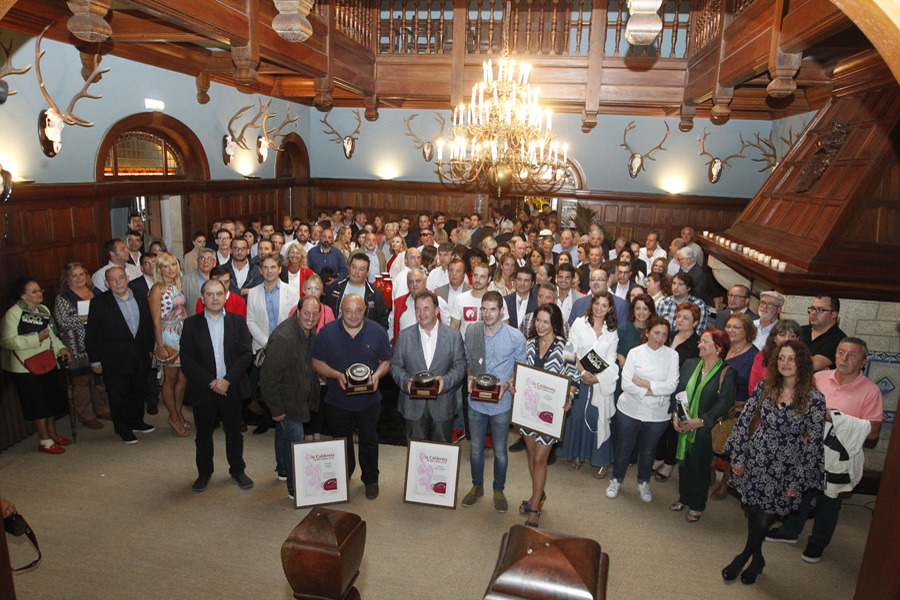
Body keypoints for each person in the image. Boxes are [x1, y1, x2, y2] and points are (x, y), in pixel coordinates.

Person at [766, 337, 883, 563]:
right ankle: (790, 531)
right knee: (799, 493)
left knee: (828, 502)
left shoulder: (870, 391)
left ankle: (817, 542)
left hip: (837, 456)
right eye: (840, 352)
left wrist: (835, 417)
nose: (844, 358)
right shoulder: (818, 378)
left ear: (863, 362)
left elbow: (874, 431)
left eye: (852, 355)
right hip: (808, 449)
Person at [722, 340, 826, 585]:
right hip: (757, 456)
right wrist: (738, 456)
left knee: (762, 520)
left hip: (787, 466)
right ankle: (757, 560)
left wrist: (799, 481)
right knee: (755, 512)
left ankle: (744, 556)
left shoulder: (815, 399)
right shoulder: (766, 385)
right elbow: (745, 419)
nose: (785, 363)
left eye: (791, 358)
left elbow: (815, 444)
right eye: (781, 358)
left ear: (801, 363)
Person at [312, 294, 392, 500]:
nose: (353, 315)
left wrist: (377, 375)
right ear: (341, 310)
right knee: (341, 442)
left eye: (358, 310)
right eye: (348, 310)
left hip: (369, 400)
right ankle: (343, 476)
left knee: (369, 440)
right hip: (338, 400)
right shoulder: (327, 332)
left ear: (365, 309)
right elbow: (316, 362)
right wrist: (336, 375)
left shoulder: (378, 331)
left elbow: (386, 361)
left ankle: (371, 479)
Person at [181, 279, 254, 493]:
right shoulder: (191, 324)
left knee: (234, 433)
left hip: (231, 387)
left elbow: (245, 354)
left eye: (218, 294)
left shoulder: (237, 321)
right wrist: (211, 382)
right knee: (203, 435)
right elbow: (187, 359)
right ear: (202, 298)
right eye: (210, 294)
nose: (214, 298)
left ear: (226, 296)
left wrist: (227, 380)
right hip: (204, 389)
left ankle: (237, 470)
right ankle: (204, 473)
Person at [461, 291, 526, 513]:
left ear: (501, 311)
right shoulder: (472, 331)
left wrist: (507, 385)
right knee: (476, 448)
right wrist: (470, 376)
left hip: (501, 402)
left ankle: (499, 489)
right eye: (484, 309)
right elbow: (469, 361)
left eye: (492, 309)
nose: (487, 314)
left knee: (500, 450)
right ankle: (477, 486)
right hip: (476, 402)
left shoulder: (515, 337)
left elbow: (521, 369)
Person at [606, 316, 679, 503]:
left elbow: (671, 386)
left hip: (658, 414)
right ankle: (616, 479)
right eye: (656, 333)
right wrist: (654, 390)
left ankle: (643, 482)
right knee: (625, 447)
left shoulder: (672, 356)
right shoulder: (635, 352)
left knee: (648, 450)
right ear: (647, 332)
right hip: (630, 409)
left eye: (664, 334)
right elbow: (627, 383)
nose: (660, 338)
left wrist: (645, 384)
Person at [669, 328, 737, 522]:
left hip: (705, 429)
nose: (699, 345)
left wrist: (698, 422)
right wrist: (676, 415)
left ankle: (697, 505)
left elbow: (724, 403)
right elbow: (679, 391)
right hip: (683, 424)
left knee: (699, 467)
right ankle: (684, 498)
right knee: (684, 464)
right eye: (700, 341)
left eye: (704, 342)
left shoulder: (727, 373)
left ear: (718, 348)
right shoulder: (690, 364)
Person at [518, 303, 577, 528]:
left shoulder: (567, 347)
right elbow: (521, 373)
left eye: (545, 321)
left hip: (550, 414)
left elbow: (574, 379)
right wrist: (516, 386)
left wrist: (569, 397)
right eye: (538, 320)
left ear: (555, 324)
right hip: (528, 409)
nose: (540, 325)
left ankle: (535, 510)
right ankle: (538, 495)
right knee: (532, 456)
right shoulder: (528, 344)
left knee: (541, 459)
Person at [85, 266, 156, 444]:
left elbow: (148, 327)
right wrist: (95, 359)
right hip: (114, 357)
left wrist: (149, 348)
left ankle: (137, 421)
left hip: (139, 354)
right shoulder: (99, 303)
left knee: (138, 390)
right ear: (107, 284)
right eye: (113, 280)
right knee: (118, 394)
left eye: (121, 278)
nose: (118, 282)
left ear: (127, 279)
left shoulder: (141, 298)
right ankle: (123, 428)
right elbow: (92, 334)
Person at [1, 277, 72, 454]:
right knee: (38, 405)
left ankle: (53, 434)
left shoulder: (43, 309)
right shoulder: (13, 314)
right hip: (26, 367)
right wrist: (35, 339)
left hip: (46, 361)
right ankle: (45, 440)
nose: (39, 293)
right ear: (23, 296)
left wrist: (61, 348)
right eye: (34, 291)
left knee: (50, 400)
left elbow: (51, 335)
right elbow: (6, 341)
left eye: (40, 290)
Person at [260, 296, 321, 498]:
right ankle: (296, 490)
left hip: (297, 397)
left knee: (284, 434)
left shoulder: (309, 333)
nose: (310, 318)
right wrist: (276, 410)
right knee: (296, 441)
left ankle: (283, 470)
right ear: (297, 312)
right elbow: (267, 379)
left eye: (314, 314)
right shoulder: (283, 338)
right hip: (286, 402)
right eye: (306, 313)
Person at [390, 291, 467, 442]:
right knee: (416, 457)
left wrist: (445, 381)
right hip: (413, 407)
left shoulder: (453, 336)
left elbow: (460, 366)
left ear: (437, 311)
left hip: (442, 406)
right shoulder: (405, 336)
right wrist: (407, 382)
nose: (421, 313)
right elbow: (395, 366)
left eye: (426, 308)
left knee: (440, 456)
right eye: (418, 308)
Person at [560, 291, 619, 478]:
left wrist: (597, 378)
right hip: (579, 378)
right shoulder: (579, 323)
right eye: (597, 303)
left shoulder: (612, 331)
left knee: (596, 417)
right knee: (576, 416)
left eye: (604, 305)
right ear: (592, 304)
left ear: (609, 308)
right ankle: (577, 453)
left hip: (599, 382)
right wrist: (583, 373)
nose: (599, 308)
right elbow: (570, 350)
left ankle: (601, 460)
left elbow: (610, 360)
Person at [53, 262, 109, 429]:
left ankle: (101, 409)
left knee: (99, 379)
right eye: (74, 275)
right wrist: (85, 318)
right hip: (76, 346)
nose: (79, 278)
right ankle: (86, 415)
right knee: (82, 381)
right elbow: (63, 321)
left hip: (98, 342)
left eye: (81, 274)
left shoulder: (96, 292)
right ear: (67, 279)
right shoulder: (63, 298)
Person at [653, 301, 701, 481]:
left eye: (686, 318)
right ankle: (658, 457)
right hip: (662, 386)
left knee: (675, 428)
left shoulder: (697, 344)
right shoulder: (669, 335)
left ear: (695, 322)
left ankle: (669, 463)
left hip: (683, 391)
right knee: (661, 424)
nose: (680, 320)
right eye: (679, 316)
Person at [147, 252, 190, 436]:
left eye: (173, 264)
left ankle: (178, 413)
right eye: (166, 266)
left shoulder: (177, 285)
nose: (171, 269)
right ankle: (173, 416)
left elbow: (182, 310)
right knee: (170, 379)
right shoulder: (157, 289)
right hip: (168, 336)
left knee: (183, 377)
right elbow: (156, 320)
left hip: (182, 333)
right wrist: (160, 346)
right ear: (159, 269)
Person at [324, 253, 389, 328]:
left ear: (367, 273)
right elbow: (325, 315)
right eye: (354, 267)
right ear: (349, 268)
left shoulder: (375, 294)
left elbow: (382, 323)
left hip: (365, 336)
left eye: (361, 269)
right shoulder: (334, 288)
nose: (356, 272)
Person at [749, 319, 801, 392]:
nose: (786, 339)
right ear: (774, 338)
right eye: (782, 335)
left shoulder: (802, 358)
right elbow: (753, 386)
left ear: (797, 339)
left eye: (792, 336)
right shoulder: (762, 356)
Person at [801, 294, 846, 371]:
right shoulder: (800, 330)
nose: (814, 313)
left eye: (820, 310)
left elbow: (813, 365)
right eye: (812, 308)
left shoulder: (840, 340)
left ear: (833, 315)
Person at [616, 293, 655, 368]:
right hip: (622, 372)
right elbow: (610, 348)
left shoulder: (653, 331)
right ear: (633, 310)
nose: (641, 312)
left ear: (650, 312)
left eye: (645, 309)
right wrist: (619, 355)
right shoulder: (624, 328)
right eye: (638, 308)